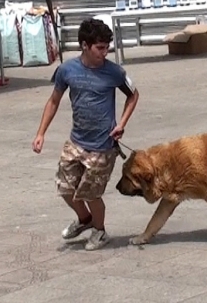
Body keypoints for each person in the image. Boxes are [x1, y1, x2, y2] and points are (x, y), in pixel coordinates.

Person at [32, 18, 139, 251]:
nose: (105, 52)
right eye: (100, 47)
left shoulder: (115, 72)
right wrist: (41, 133)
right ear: (84, 45)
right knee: (65, 187)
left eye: (106, 47)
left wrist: (121, 123)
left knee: (91, 194)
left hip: (103, 146)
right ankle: (84, 220)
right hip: (76, 141)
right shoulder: (66, 70)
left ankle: (99, 232)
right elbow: (53, 101)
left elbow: (133, 95)